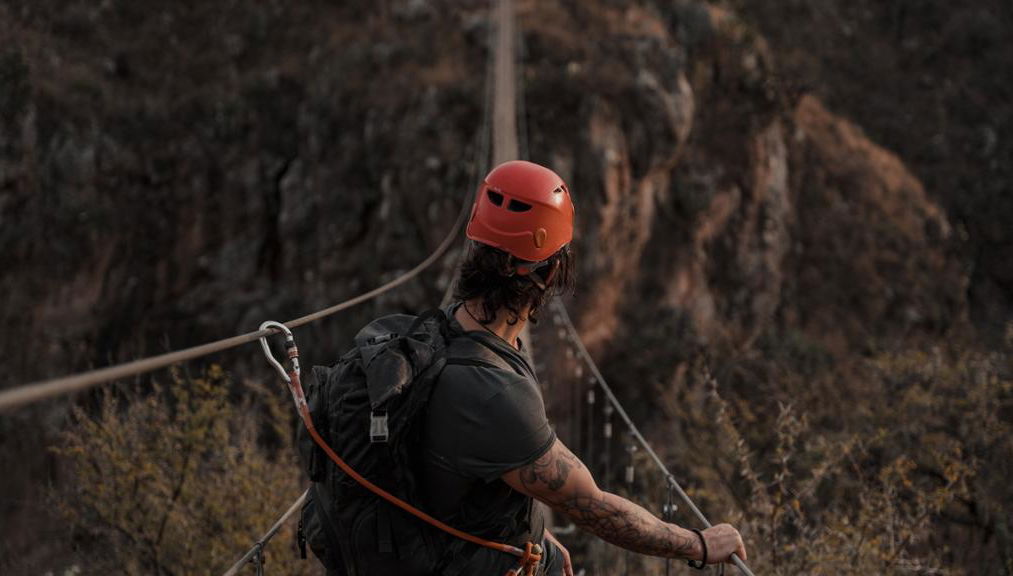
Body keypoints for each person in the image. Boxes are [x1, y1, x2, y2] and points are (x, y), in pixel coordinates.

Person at [422, 160, 748, 575]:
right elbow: (591, 507)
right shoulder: (497, 394)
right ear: (554, 269)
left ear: (475, 247)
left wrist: (533, 530)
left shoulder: (436, 330)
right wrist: (699, 543)